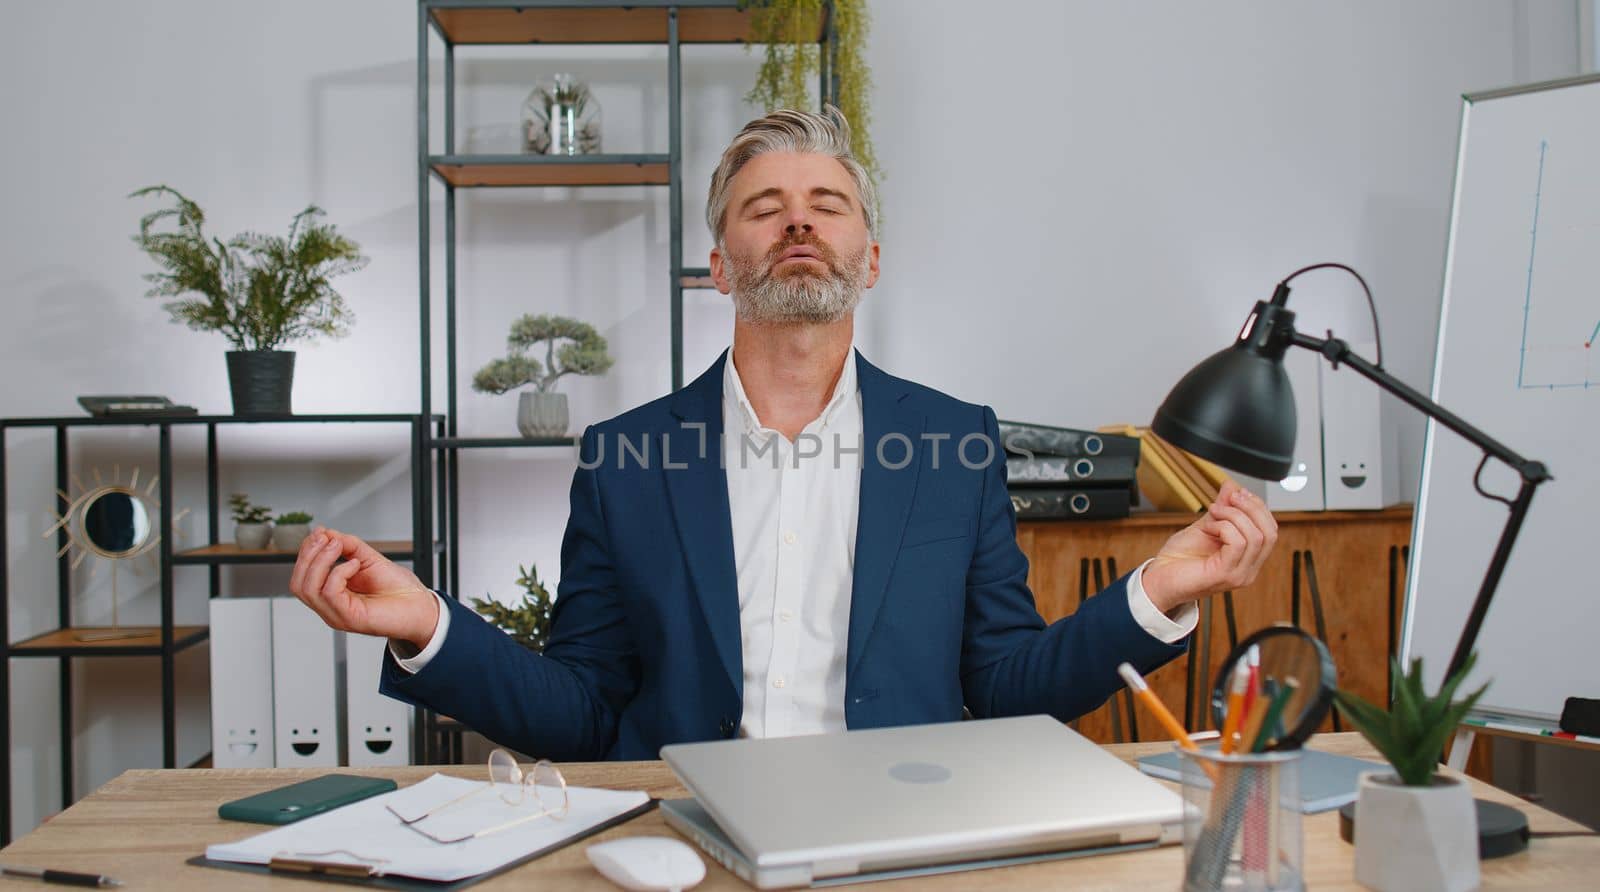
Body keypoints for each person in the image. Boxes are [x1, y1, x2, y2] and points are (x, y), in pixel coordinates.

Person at [289, 107, 1278, 761]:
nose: (797, 223)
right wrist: (430, 626)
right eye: (764, 208)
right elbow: (585, 711)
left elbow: (1007, 686)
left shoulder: (953, 444)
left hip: (895, 840)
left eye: (826, 205)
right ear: (721, 265)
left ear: (870, 258)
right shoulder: (627, 457)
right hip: (682, 843)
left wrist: (1162, 587)